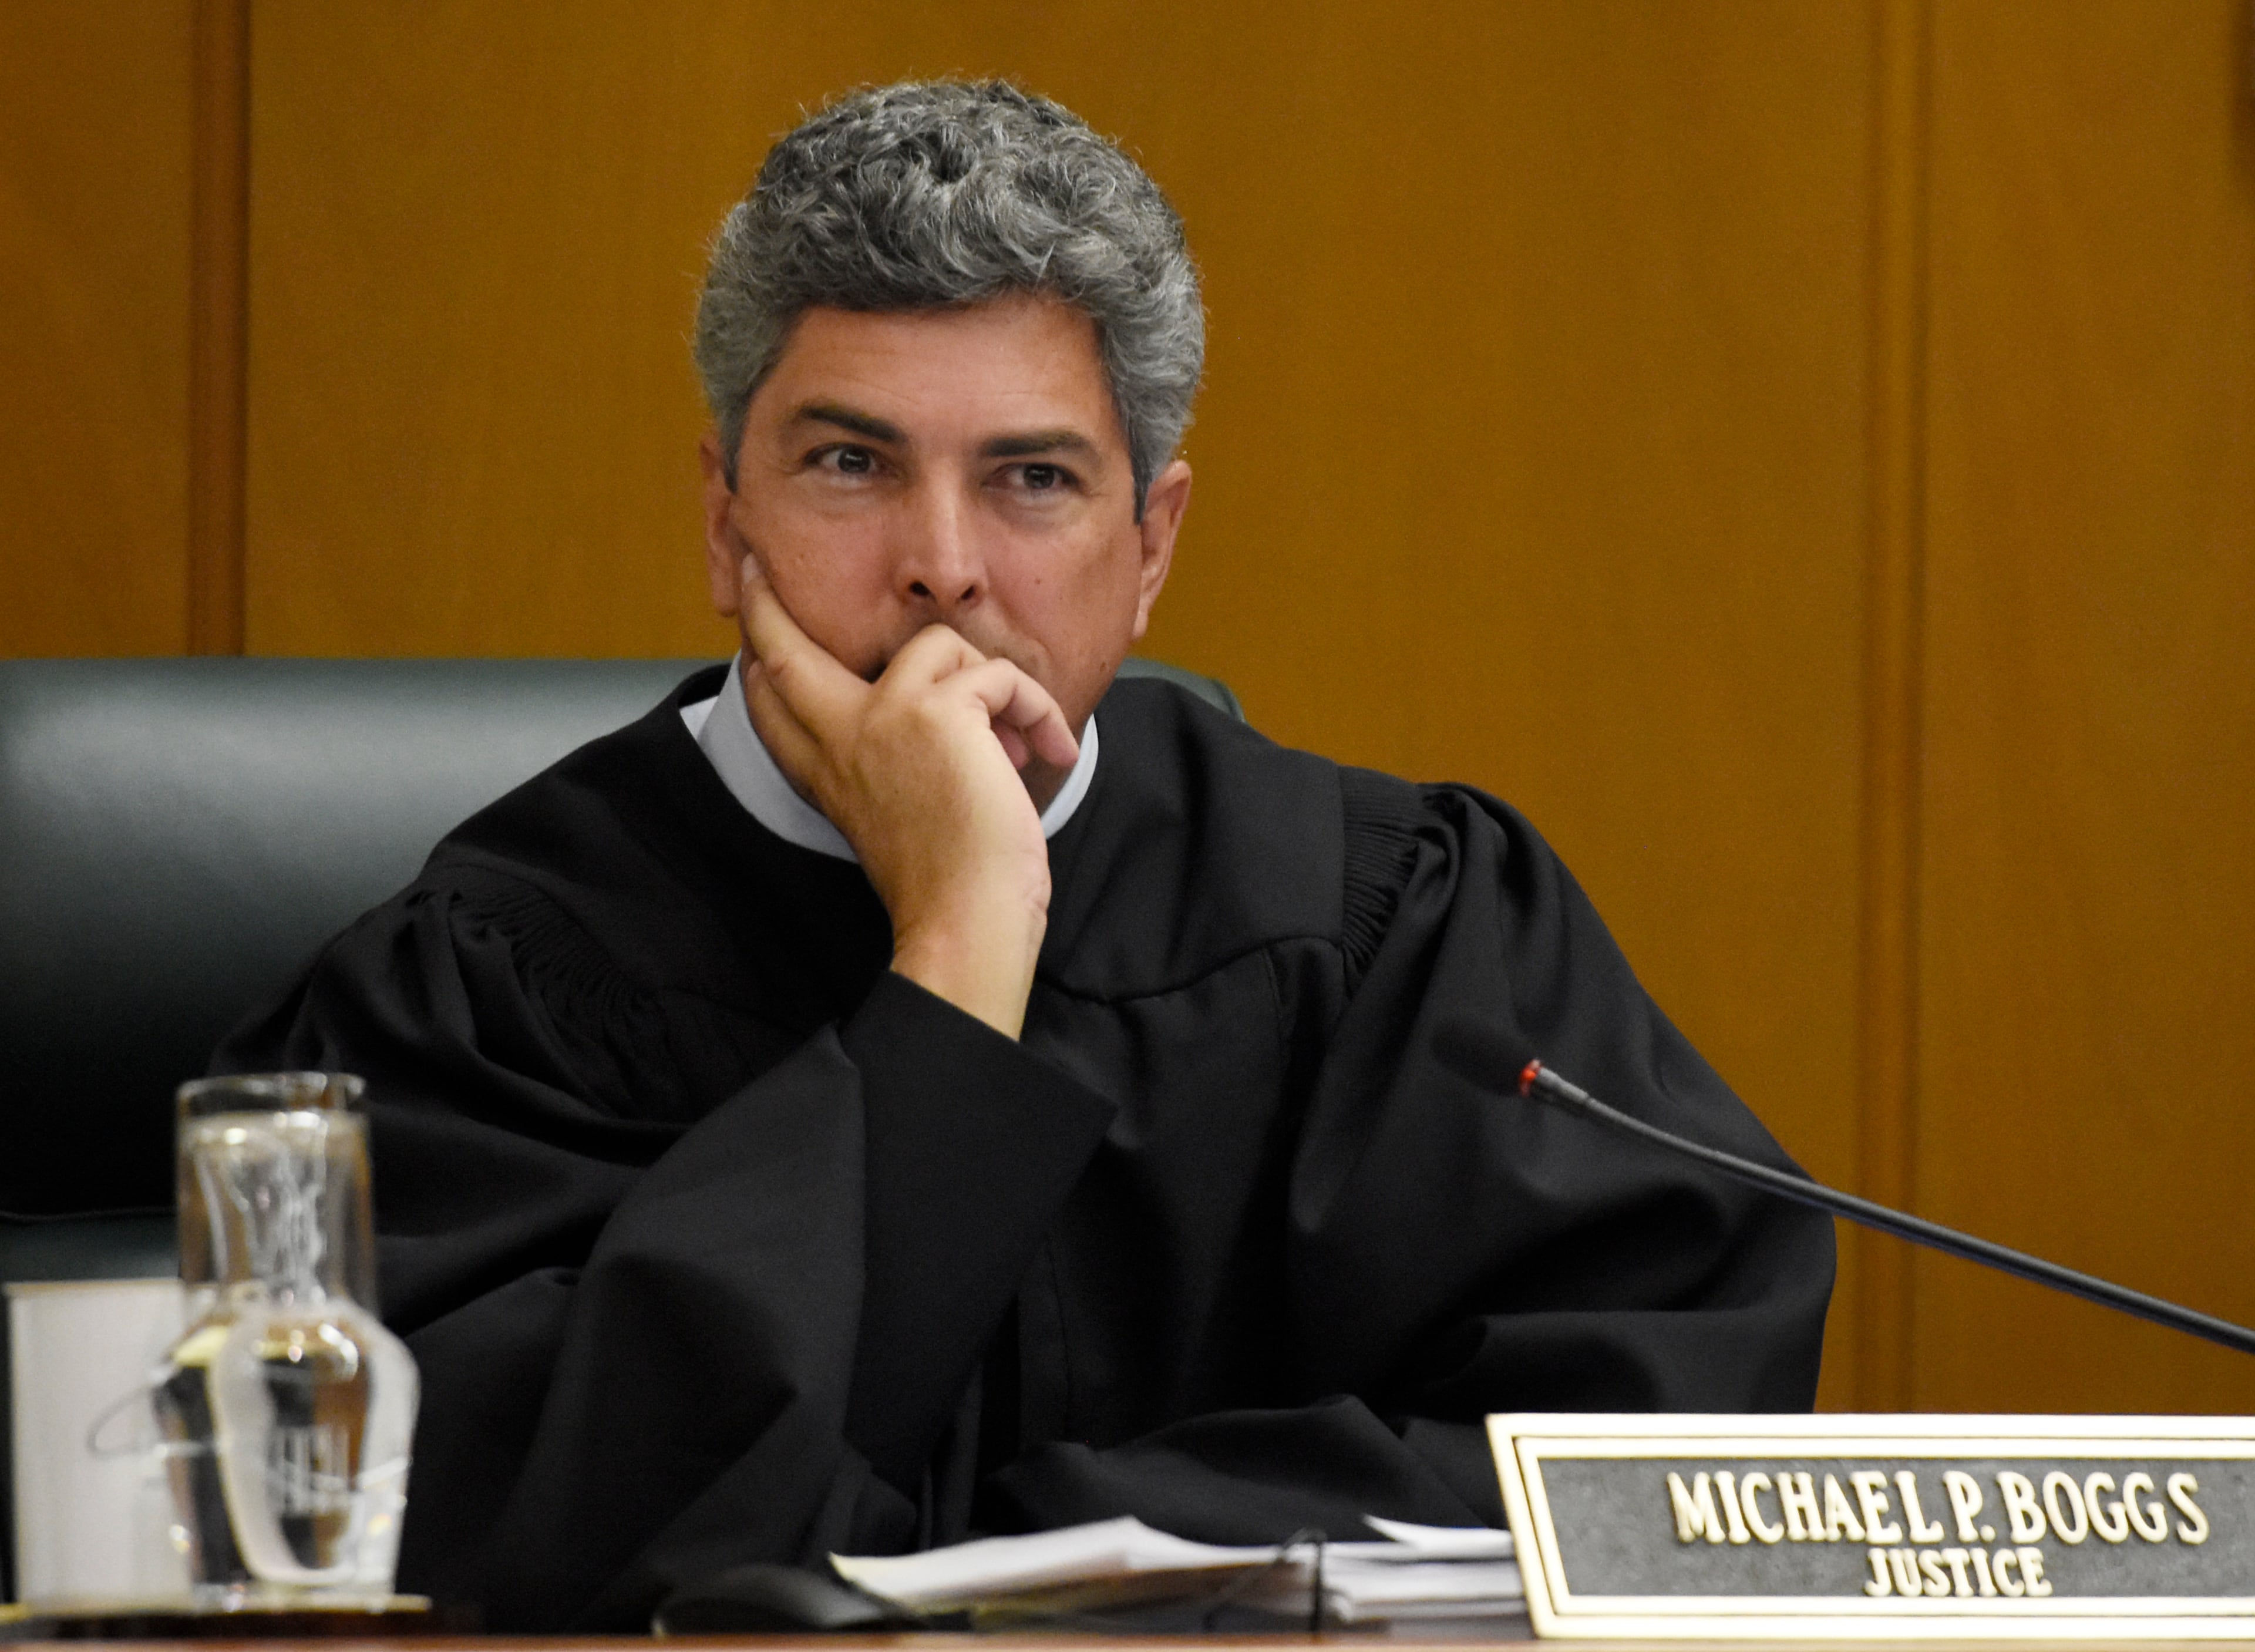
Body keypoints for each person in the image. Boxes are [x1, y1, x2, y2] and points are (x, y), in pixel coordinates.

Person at [214, 79, 1833, 1630]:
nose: (942, 569)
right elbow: (524, 1550)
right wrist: (959, 944)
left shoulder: (1379, 921)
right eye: (850, 464)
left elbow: (1655, 1448)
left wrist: (1005, 1569)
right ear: (726, 522)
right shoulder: (486, 983)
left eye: (1034, 481)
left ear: (1152, 547)